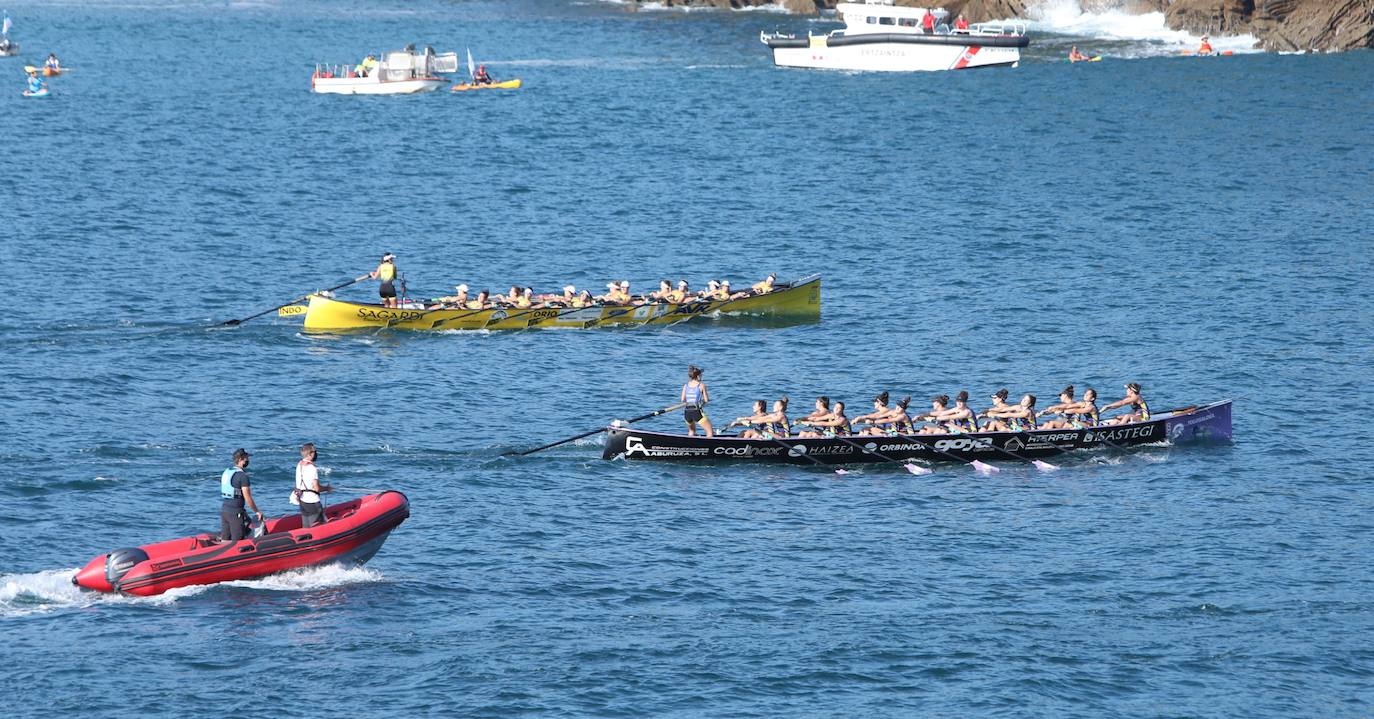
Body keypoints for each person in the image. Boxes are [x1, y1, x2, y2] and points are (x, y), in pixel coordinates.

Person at [220, 449, 263, 542]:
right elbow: (247, 497)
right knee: (238, 541)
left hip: (225, 511)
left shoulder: (227, 472)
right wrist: (257, 511)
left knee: (225, 540)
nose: (248, 460)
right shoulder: (242, 476)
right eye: (246, 458)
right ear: (240, 459)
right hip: (235, 513)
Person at [294, 443, 333, 528]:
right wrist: (327, 488)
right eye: (314, 452)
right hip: (312, 502)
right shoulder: (312, 468)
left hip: (302, 500)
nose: (316, 454)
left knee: (306, 527)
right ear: (310, 454)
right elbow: (316, 488)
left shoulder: (299, 465)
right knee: (316, 527)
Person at [681, 365, 713, 437]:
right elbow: (706, 400)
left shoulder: (686, 385)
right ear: (698, 376)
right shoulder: (701, 385)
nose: (701, 376)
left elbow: (683, 399)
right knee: (709, 431)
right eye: (701, 375)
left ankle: (690, 445)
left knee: (692, 430)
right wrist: (703, 402)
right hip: (696, 411)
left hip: (687, 412)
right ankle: (709, 447)